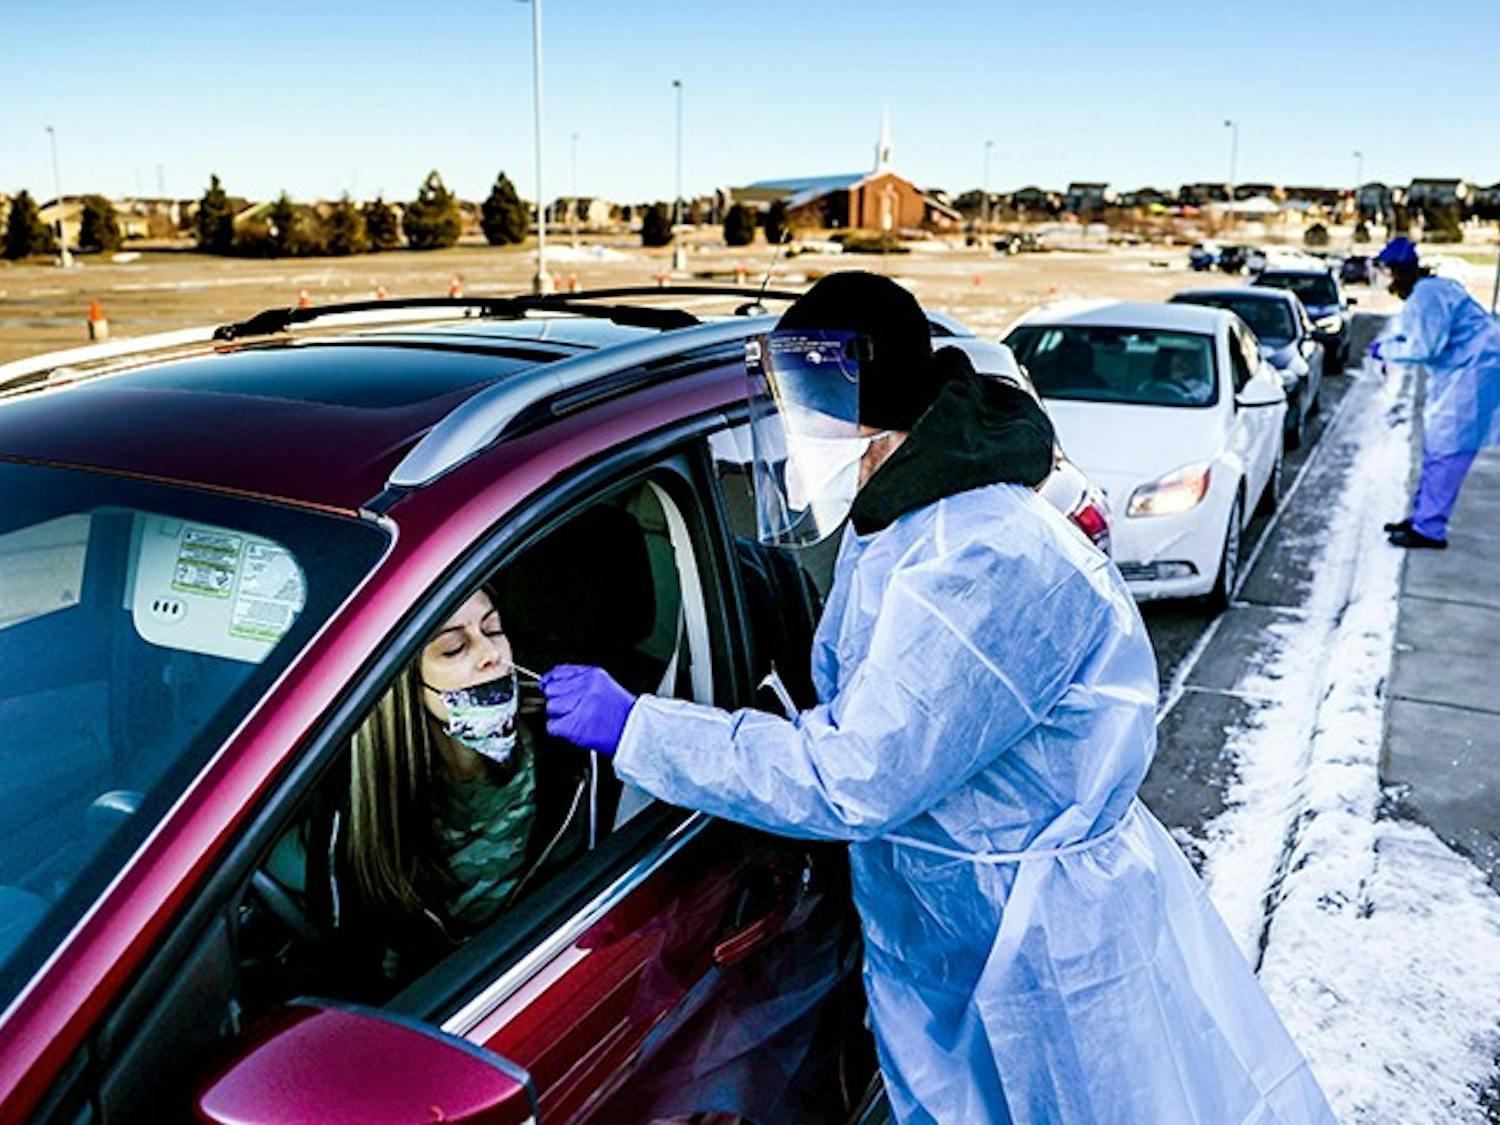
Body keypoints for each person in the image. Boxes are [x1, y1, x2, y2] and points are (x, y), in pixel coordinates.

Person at [541, 271, 1334, 1123]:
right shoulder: (908, 517)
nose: (792, 447)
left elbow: (856, 773)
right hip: (966, 926)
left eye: (809, 418)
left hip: (1040, 952)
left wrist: (642, 727)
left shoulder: (978, 557)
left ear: (873, 420)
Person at [1370, 236, 1500, 549]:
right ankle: (1422, 516)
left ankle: (1429, 528)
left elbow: (1424, 347)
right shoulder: (1434, 289)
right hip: (1468, 370)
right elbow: (1422, 335)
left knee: (1447, 449)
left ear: (1400, 272)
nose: (1387, 281)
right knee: (1438, 446)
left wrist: (1385, 350)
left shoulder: (1425, 297)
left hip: (1472, 374)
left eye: (1388, 272)